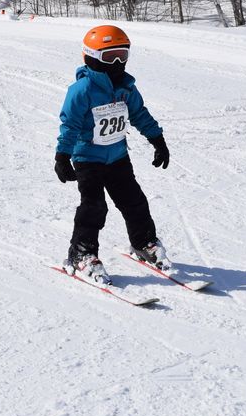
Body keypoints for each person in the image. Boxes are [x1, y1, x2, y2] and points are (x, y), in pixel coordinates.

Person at [55, 25, 170, 285]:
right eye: (110, 57)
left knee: (134, 202)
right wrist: (62, 156)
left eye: (122, 55)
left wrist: (157, 139)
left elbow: (139, 114)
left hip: (117, 156)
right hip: (88, 159)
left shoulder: (126, 86)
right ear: (91, 57)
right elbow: (70, 124)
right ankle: (81, 254)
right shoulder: (82, 90)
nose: (117, 63)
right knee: (94, 207)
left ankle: (144, 243)